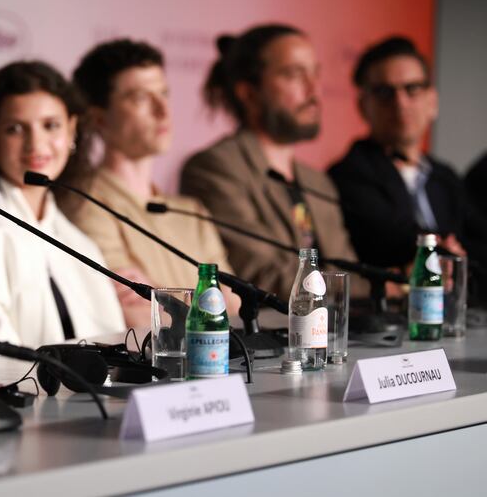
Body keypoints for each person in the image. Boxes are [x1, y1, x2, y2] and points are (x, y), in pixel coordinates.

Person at [0, 61, 125, 348]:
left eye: (50, 126)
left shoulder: (76, 240)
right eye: (15, 129)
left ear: (72, 131)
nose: (36, 144)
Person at [65, 38, 240, 328]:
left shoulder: (191, 210)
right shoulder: (86, 204)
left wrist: (167, 300)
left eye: (164, 94)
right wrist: (206, 304)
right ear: (98, 118)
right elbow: (135, 317)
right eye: (141, 98)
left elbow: (233, 304)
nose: (163, 110)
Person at [180, 24, 360, 302]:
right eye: (294, 75)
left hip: (336, 330)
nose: (314, 89)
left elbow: (347, 267)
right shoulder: (215, 168)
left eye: (315, 73)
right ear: (249, 93)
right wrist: (380, 288)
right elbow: (261, 275)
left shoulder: (317, 181)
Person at [329, 36, 487, 272]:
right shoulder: (348, 175)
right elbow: (391, 238)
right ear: (363, 105)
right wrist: (445, 251)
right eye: (384, 92)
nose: (400, 103)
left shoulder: (445, 177)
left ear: (432, 101)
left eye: (412, 89)